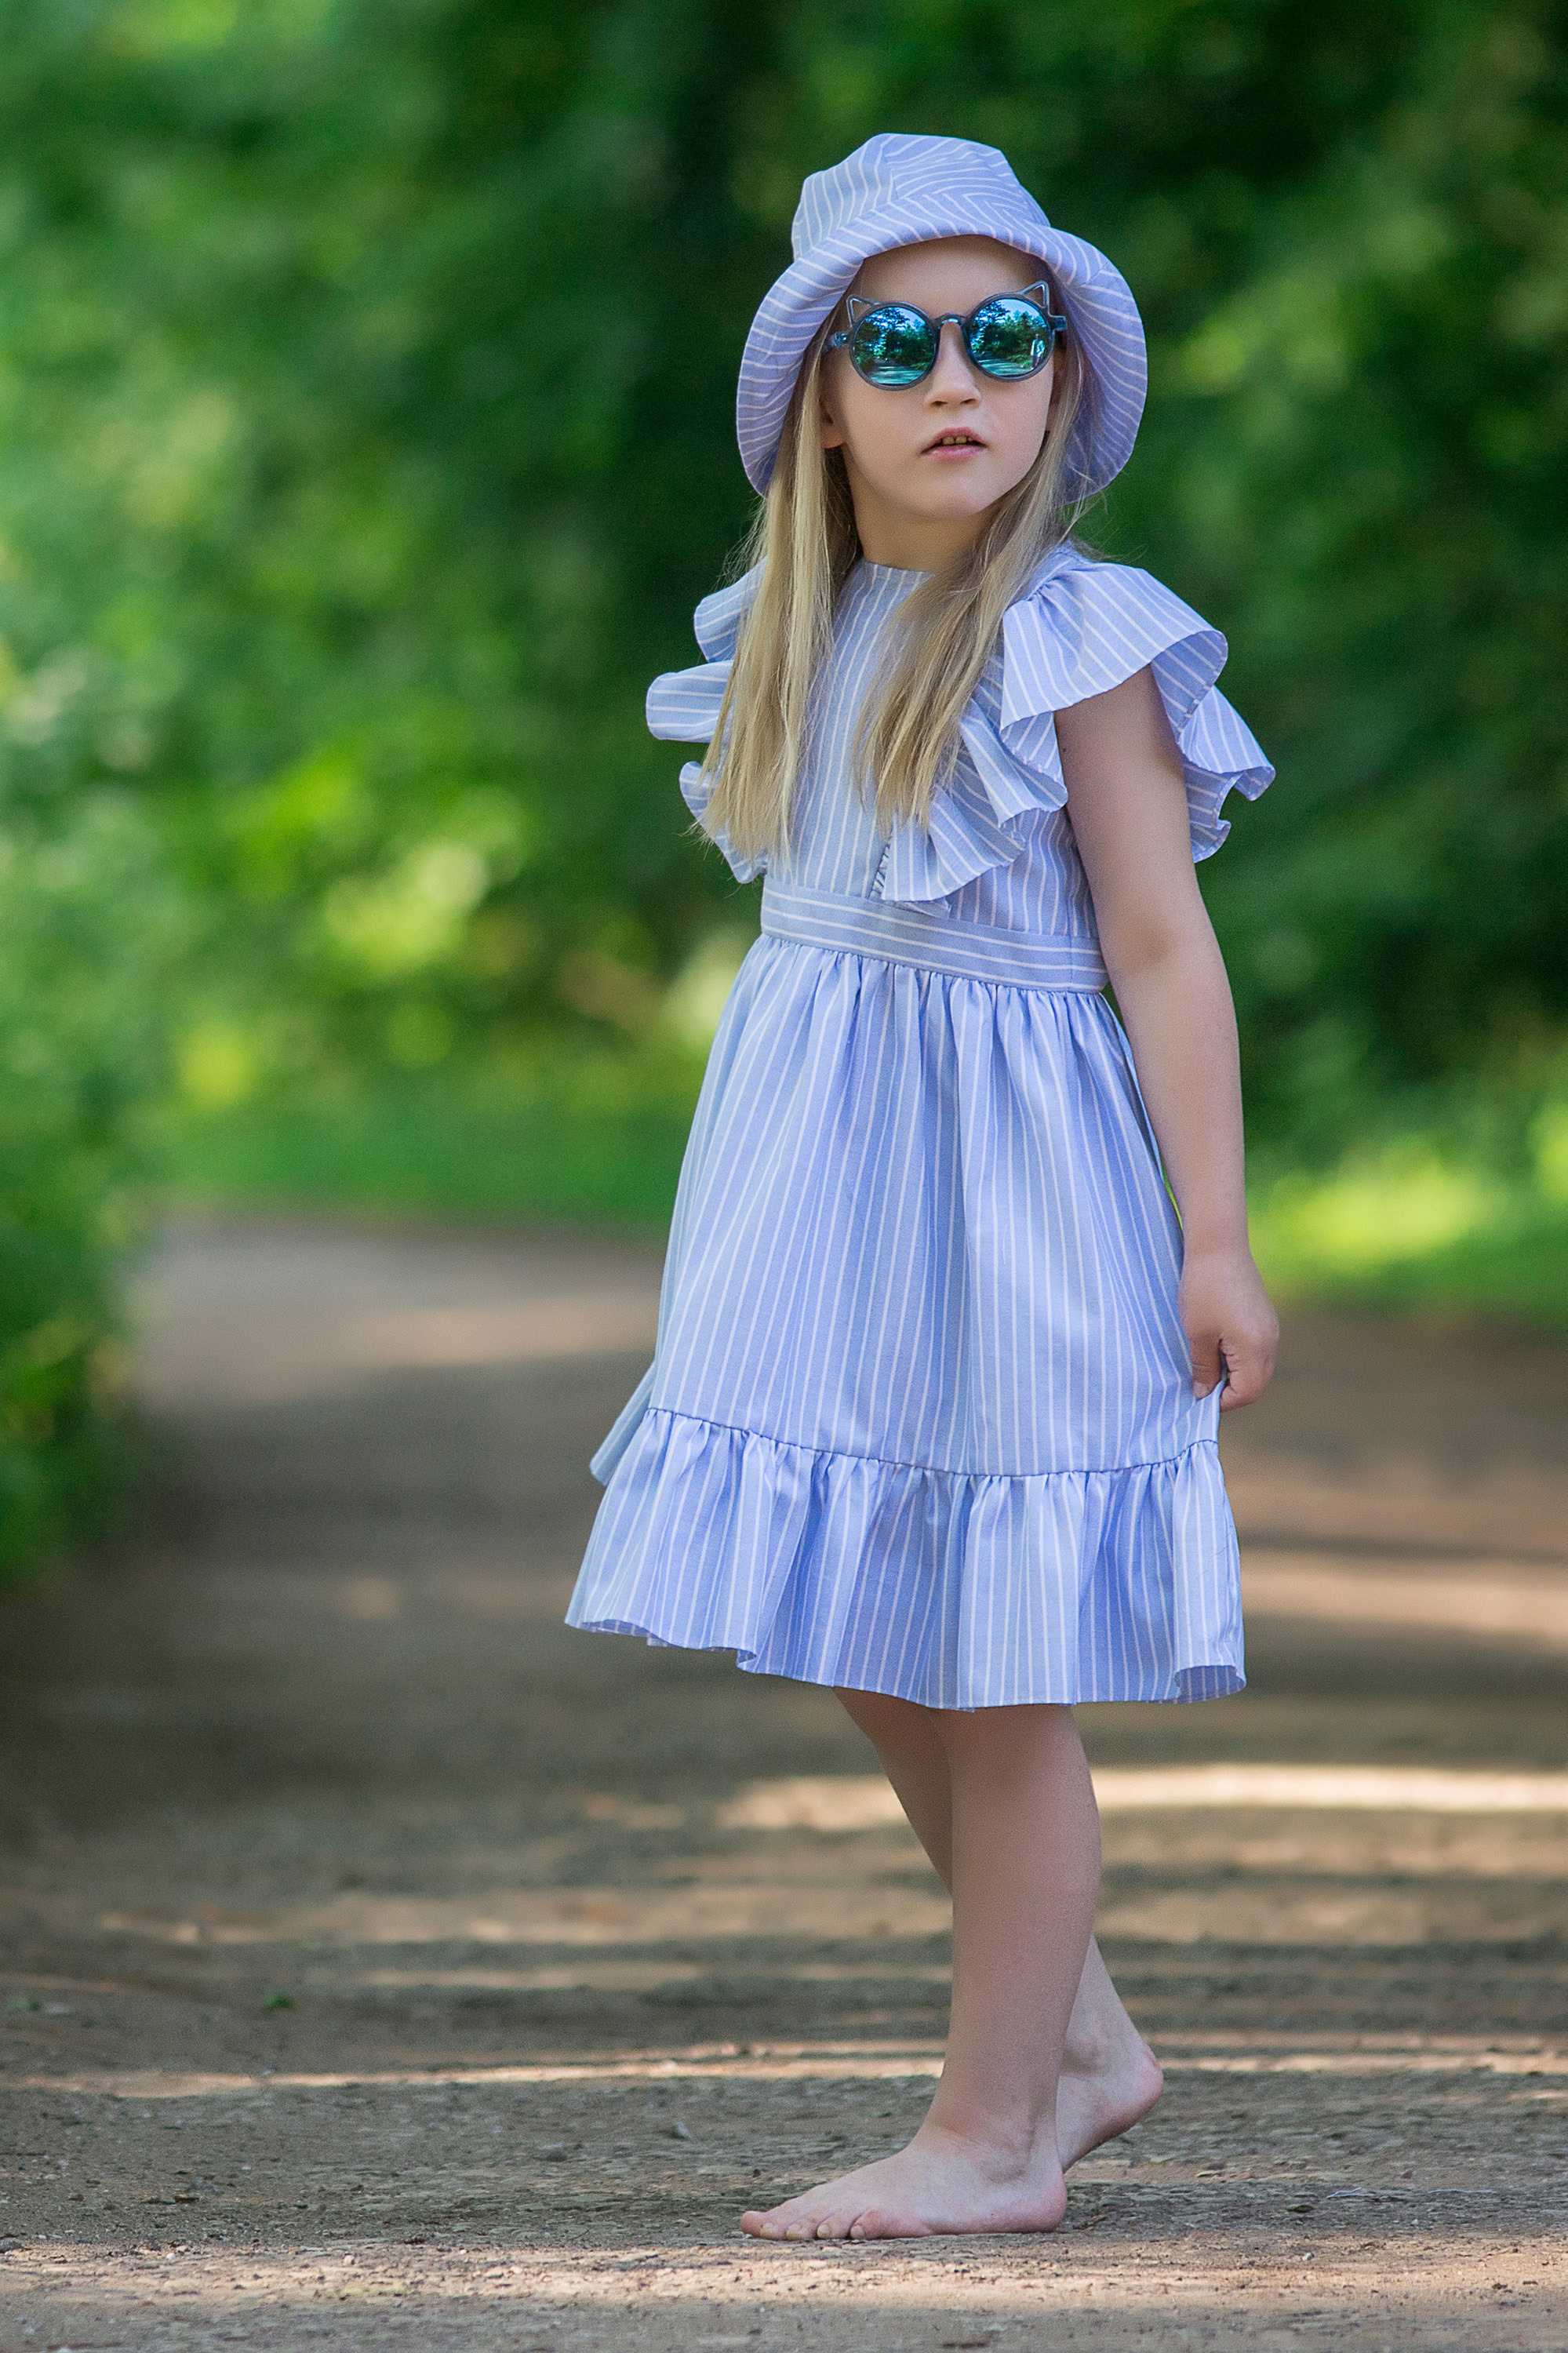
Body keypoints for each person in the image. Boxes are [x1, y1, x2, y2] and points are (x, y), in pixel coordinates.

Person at [566, 133, 1279, 2241]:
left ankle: (990, 2141)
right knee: (860, 1607)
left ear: (1060, 384)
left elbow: (1162, 947)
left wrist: (1217, 1234)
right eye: (900, 342)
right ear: (824, 399)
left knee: (994, 1662)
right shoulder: (798, 632)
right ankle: (1077, 2038)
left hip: (1025, 1196)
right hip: (823, 1179)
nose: (956, 377)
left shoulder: (1078, 642)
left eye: (1005, 337)